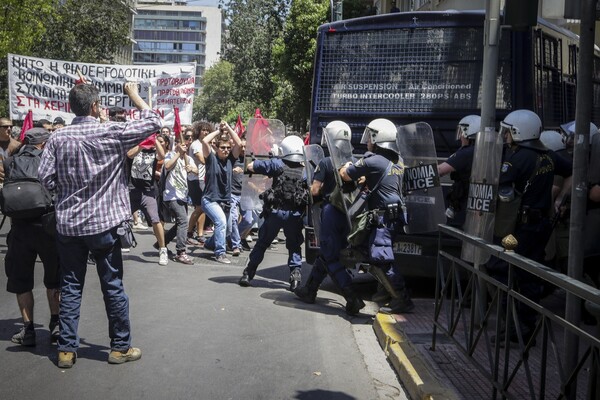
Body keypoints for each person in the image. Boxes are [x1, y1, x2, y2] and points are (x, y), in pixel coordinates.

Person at [38, 82, 161, 368]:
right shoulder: (111, 131)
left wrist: (67, 192)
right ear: (95, 106)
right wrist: (133, 95)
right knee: (113, 285)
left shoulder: (58, 138)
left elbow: (45, 179)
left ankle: (66, 350)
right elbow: (154, 120)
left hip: (69, 225)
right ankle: (119, 348)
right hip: (104, 226)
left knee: (70, 286)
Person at [487, 109, 572, 345]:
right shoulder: (549, 156)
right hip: (539, 227)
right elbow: (572, 173)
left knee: (499, 268)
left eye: (508, 132)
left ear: (517, 132)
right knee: (528, 276)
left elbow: (499, 187)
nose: (505, 137)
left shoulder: (515, 159)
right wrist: (559, 200)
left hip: (517, 232)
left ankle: (517, 327)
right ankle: (524, 328)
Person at [340, 118, 414, 314]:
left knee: (381, 258)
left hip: (383, 219)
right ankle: (384, 292)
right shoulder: (399, 160)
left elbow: (347, 175)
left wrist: (343, 166)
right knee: (373, 255)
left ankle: (401, 298)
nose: (367, 141)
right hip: (395, 217)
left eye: (369, 137)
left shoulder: (374, 160)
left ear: (377, 138)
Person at [294, 121, 365, 315]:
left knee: (331, 257)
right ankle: (310, 290)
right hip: (350, 214)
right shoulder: (356, 161)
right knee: (327, 253)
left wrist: (308, 189)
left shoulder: (326, 162)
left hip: (331, 213)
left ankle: (352, 297)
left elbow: (315, 190)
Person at [4, 128, 60, 347]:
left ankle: (28, 331)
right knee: (54, 279)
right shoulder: (50, 161)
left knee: (21, 281)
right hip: (48, 226)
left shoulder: (10, 162)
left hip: (19, 229)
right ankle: (56, 324)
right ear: (44, 144)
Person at [238, 135, 308, 291]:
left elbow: (252, 166)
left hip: (275, 212)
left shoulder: (277, 164)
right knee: (294, 246)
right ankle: (295, 278)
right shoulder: (305, 170)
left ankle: (248, 274)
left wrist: (256, 161)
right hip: (295, 216)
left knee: (262, 243)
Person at [201, 122, 243, 264]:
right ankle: (220, 253)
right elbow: (205, 141)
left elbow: (239, 144)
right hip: (210, 199)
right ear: (216, 148)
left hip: (225, 201)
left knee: (227, 230)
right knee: (221, 222)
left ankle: (209, 244)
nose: (225, 150)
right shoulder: (211, 159)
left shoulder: (231, 160)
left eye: (227, 148)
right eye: (222, 148)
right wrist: (219, 130)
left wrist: (229, 129)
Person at [127, 131, 168, 265]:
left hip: (147, 191)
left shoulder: (154, 151)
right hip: (132, 189)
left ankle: (163, 249)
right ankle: (121, 243)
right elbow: (129, 154)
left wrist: (154, 139)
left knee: (155, 219)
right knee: (122, 218)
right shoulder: (136, 146)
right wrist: (141, 144)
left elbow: (162, 155)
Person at [161, 129, 198, 264]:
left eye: (188, 141)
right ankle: (181, 252)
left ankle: (162, 242)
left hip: (183, 195)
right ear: (176, 143)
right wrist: (178, 154)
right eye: (183, 141)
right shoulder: (170, 155)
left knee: (179, 223)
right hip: (172, 195)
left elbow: (196, 172)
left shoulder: (188, 159)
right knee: (183, 221)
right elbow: (167, 166)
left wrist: (192, 169)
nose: (186, 144)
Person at [438, 115, 480, 225]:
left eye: (462, 132)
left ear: (469, 133)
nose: (460, 136)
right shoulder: (481, 150)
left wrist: (415, 174)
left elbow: (440, 170)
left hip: (465, 202)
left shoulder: (466, 153)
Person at [186, 121, 212, 244]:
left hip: (204, 179)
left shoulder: (208, 145)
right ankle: (189, 231)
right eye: (203, 130)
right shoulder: (196, 144)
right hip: (195, 179)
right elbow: (202, 160)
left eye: (207, 130)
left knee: (203, 207)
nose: (206, 132)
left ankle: (200, 234)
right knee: (200, 207)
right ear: (198, 131)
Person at [0, 117, 21, 185]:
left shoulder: (17, 145)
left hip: (10, 181)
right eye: (5, 126)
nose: (9, 129)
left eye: (11, 126)